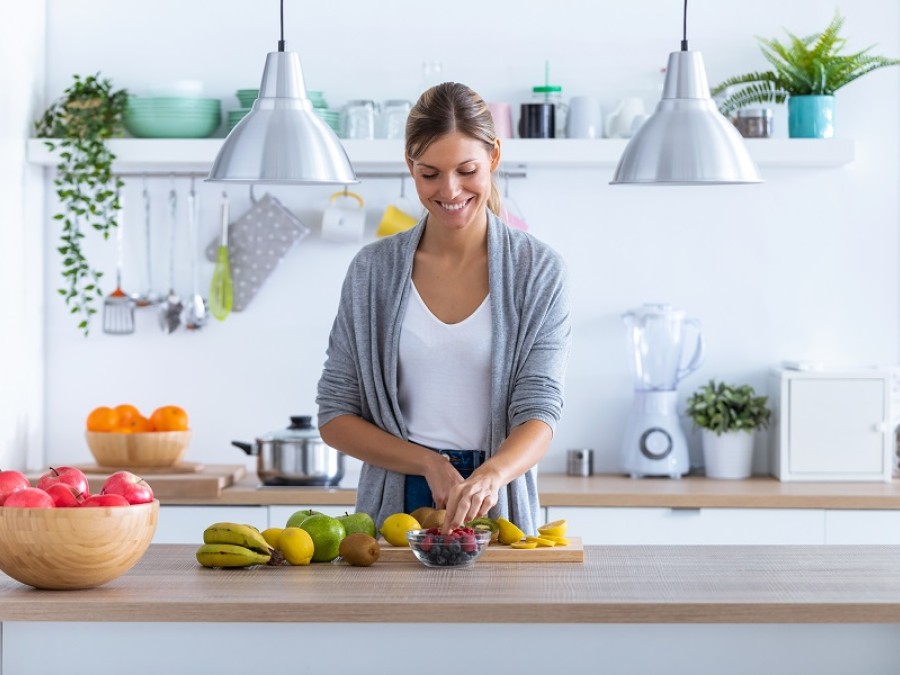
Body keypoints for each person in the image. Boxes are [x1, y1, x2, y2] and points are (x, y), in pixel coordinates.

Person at [316, 82, 571, 536]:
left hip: (497, 495)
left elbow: (541, 410)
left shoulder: (539, 271)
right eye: (429, 174)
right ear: (410, 168)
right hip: (396, 500)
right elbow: (335, 416)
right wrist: (427, 462)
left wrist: (492, 474)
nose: (449, 191)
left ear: (493, 157)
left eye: (466, 170)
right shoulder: (371, 272)